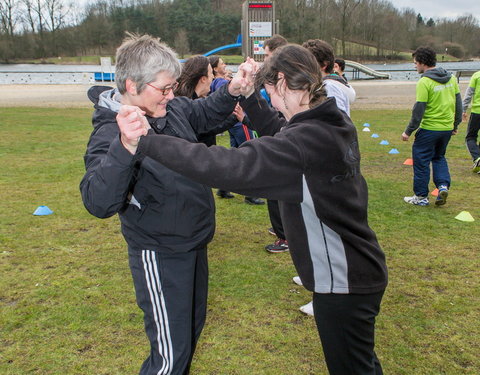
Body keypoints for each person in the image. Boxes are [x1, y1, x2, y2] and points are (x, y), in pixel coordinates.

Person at [118, 44, 388, 375]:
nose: (271, 101)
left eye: (270, 92)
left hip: (344, 281)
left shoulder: (304, 144)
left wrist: (147, 140)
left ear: (285, 84)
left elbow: (228, 166)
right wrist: (246, 96)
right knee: (362, 363)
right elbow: (284, 132)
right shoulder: (331, 122)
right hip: (358, 269)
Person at [80, 34, 245, 375]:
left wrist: (231, 91)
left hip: (194, 245)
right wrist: (125, 145)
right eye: (165, 88)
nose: (172, 95)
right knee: (169, 357)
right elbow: (97, 201)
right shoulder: (110, 133)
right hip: (161, 252)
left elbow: (202, 112)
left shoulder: (170, 110)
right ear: (132, 85)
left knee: (186, 338)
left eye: (174, 87)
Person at [298, 39, 357, 315]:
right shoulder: (329, 85)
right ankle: (314, 279)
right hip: (328, 167)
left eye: (306, 61)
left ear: (320, 65)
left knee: (329, 236)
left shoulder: (330, 87)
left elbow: (335, 128)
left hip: (330, 171)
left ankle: (324, 294)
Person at [402, 46, 462, 206]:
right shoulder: (451, 78)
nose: (414, 66)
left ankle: (421, 197)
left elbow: (419, 109)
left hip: (429, 129)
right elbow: (458, 105)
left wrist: (408, 131)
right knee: (439, 157)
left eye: (415, 63)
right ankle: (443, 185)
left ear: (422, 63)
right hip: (446, 129)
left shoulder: (424, 82)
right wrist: (455, 124)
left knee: (421, 160)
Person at [208, 55, 265, 205]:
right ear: (215, 69)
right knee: (251, 155)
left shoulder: (214, 82)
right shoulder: (222, 82)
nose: (225, 65)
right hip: (239, 122)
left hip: (231, 123)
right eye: (221, 63)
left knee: (235, 156)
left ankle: (224, 187)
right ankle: (250, 193)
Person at [261, 34, 290, 253]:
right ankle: (284, 231)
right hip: (273, 138)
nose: (265, 59)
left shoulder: (286, 85)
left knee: (279, 190)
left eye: (267, 54)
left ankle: (286, 237)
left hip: (278, 143)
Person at [175, 55, 235, 147]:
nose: (213, 77)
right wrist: (235, 116)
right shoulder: (187, 106)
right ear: (203, 79)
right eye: (211, 73)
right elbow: (208, 129)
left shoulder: (185, 100)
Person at [303, 39, 356, 116]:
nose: (304, 68)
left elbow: (337, 122)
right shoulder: (324, 86)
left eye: (308, 63)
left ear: (324, 65)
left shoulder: (330, 89)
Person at [462, 70, 480, 173]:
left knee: (470, 137)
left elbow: (469, 94)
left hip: (477, 111)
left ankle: (477, 158)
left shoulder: (477, 76)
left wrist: (463, 109)